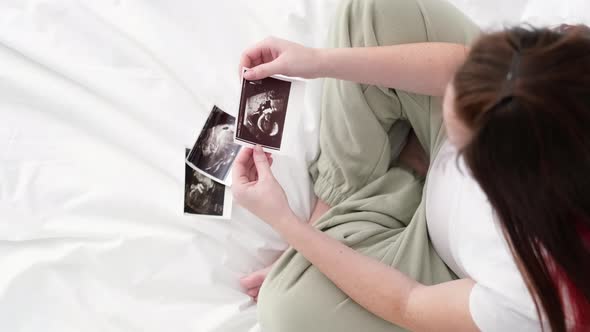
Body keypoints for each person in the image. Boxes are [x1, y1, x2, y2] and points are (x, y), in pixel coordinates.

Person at [232, 0, 590, 331]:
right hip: (506, 141)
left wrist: (289, 225)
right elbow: (459, 67)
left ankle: (401, 174)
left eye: (460, 147)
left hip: (443, 269)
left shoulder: (537, 290)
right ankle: (362, 194)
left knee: (286, 308)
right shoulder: (571, 68)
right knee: (373, 11)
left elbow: (408, 303)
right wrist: (320, 61)